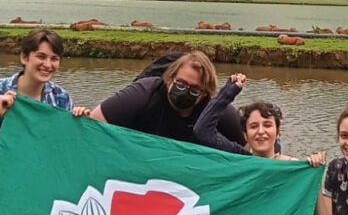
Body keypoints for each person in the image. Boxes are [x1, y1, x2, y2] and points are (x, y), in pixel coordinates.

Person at [0, 28, 88, 197]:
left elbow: (67, 151)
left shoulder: (61, 99)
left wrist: (79, 122)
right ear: (24, 57)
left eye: (54, 59)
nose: (48, 65)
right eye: (41, 56)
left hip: (38, 194)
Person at [89, 51, 245, 147]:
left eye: (195, 89)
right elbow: (93, 124)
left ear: (205, 93)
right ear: (169, 79)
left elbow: (249, 153)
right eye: (181, 83)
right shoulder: (143, 94)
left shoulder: (218, 112)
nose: (185, 91)